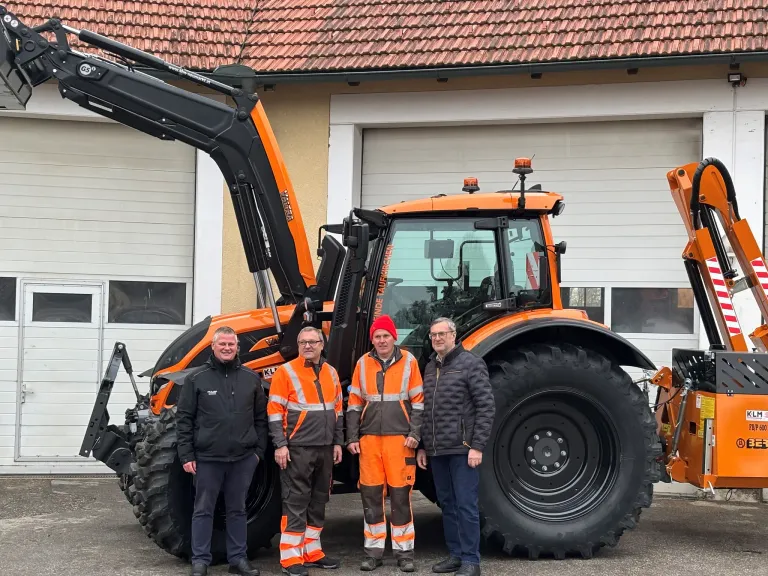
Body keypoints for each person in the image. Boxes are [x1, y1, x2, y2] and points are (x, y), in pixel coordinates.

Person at [176, 326, 268, 576]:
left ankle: (238, 559)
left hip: (242, 459)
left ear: (237, 347)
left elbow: (261, 418)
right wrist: (187, 455)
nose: (227, 348)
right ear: (213, 347)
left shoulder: (251, 379)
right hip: (208, 459)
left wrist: (257, 452)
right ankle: (200, 561)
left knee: (237, 510)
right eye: (222, 344)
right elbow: (184, 419)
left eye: (231, 344)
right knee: (203, 510)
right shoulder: (196, 379)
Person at [416, 317, 495, 576]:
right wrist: (423, 447)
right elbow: (427, 411)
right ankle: (455, 556)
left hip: (463, 450)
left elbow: (486, 406)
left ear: (453, 334)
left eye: (442, 334)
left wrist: (477, 446)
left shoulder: (471, 364)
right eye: (433, 335)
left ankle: (472, 560)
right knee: (447, 504)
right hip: (437, 451)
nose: (437, 339)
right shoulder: (430, 367)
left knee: (466, 505)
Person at [346, 314, 424, 573]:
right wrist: (352, 437)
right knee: (371, 498)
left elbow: (419, 402)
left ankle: (405, 554)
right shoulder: (362, 364)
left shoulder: (409, 362)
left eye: (385, 336)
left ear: (394, 337)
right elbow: (354, 404)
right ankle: (373, 552)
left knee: (401, 498)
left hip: (400, 441)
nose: (381, 340)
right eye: (377, 336)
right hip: (369, 441)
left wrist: (415, 433)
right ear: (373, 339)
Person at [267, 326, 344, 576]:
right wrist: (280, 444)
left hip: (324, 448)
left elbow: (337, 411)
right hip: (297, 448)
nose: (307, 346)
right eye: (303, 342)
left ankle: (312, 552)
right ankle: (290, 559)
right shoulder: (285, 372)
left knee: (319, 501)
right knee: (295, 502)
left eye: (312, 342)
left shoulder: (331, 373)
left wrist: (337, 443)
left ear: (322, 344)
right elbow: (275, 412)